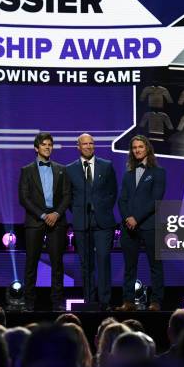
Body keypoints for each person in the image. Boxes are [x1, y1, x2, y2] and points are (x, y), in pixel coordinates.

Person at [18, 132, 71, 311]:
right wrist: (42, 215)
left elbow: (67, 195)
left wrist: (56, 214)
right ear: (36, 148)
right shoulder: (26, 170)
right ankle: (29, 303)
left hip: (57, 220)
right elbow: (24, 198)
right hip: (35, 221)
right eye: (44, 144)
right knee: (31, 263)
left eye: (50, 144)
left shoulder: (61, 169)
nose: (48, 147)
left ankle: (57, 303)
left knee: (57, 263)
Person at [65, 133, 117, 310]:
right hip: (82, 223)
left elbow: (112, 192)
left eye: (91, 143)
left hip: (103, 223)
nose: (88, 146)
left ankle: (104, 302)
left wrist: (103, 208)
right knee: (86, 264)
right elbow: (69, 196)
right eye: (85, 144)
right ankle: (89, 301)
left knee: (103, 260)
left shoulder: (106, 166)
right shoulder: (70, 169)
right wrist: (78, 212)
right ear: (78, 147)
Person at [116, 135, 166, 311]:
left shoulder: (158, 172)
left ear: (147, 149)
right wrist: (127, 218)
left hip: (149, 225)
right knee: (129, 267)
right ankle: (128, 302)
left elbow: (155, 199)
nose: (137, 150)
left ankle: (156, 301)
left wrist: (136, 218)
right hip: (129, 228)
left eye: (140, 147)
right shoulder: (128, 174)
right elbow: (121, 200)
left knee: (155, 265)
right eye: (134, 147)